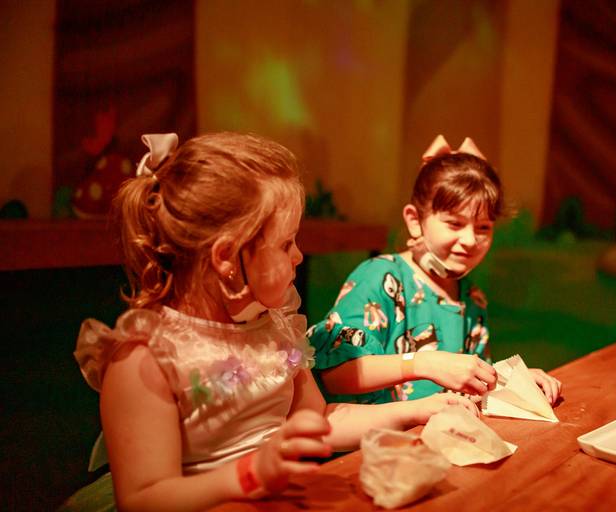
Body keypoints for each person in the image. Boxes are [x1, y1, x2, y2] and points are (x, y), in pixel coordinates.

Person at [72, 132, 475, 511]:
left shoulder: (274, 329)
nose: (298, 256)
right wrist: (249, 475)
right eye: (285, 244)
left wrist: (418, 410)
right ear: (226, 257)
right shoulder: (146, 360)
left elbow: (321, 418)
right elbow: (144, 498)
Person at [308, 135, 562, 406]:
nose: (470, 240)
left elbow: (470, 384)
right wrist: (424, 363)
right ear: (414, 220)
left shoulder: (473, 298)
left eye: (483, 227)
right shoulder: (379, 277)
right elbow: (335, 374)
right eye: (454, 224)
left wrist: (509, 380)